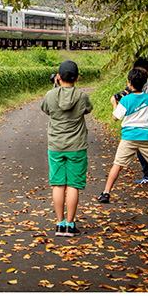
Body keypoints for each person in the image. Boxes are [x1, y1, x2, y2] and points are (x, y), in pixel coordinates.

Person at [98, 68, 148, 204]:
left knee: (117, 164)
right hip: (146, 136)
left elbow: (115, 117)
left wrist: (115, 103)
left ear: (129, 82)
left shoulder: (126, 100)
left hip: (129, 136)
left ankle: (106, 193)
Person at [40, 59, 94, 237]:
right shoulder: (81, 96)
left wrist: (56, 89)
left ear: (58, 77)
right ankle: (70, 225)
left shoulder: (50, 95)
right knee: (72, 185)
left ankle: (59, 224)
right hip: (76, 146)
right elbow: (88, 110)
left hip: (55, 146)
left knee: (58, 184)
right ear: (77, 78)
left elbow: (46, 110)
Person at [111, 58, 148, 185]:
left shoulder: (147, 85)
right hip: (144, 124)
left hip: (142, 122)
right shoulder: (144, 84)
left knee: (129, 158)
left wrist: (122, 101)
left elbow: (116, 116)